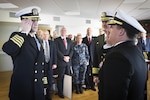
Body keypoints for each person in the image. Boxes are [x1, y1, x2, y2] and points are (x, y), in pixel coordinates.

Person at [98, 9, 148, 100]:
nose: (108, 29)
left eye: (112, 27)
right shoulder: (136, 52)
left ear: (121, 31)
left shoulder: (117, 57)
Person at [2, 6, 49, 100]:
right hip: (23, 88)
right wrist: (24, 32)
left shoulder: (38, 40)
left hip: (37, 88)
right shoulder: (18, 36)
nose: (36, 24)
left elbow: (41, 66)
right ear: (24, 22)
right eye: (32, 21)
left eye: (37, 20)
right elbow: (8, 49)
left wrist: (44, 85)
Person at [54, 27, 73, 98]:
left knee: (68, 77)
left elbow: (72, 50)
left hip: (68, 62)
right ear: (60, 31)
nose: (64, 31)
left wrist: (69, 57)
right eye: (62, 30)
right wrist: (63, 57)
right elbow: (57, 50)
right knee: (60, 78)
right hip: (61, 62)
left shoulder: (69, 40)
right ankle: (60, 92)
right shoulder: (56, 40)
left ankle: (67, 91)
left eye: (65, 30)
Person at [42, 30, 57, 100]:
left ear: (48, 35)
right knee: (44, 81)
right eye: (44, 34)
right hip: (42, 65)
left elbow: (54, 54)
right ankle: (44, 95)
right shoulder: (39, 43)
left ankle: (48, 94)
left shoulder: (52, 43)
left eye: (46, 34)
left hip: (50, 65)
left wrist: (55, 63)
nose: (45, 36)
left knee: (50, 80)